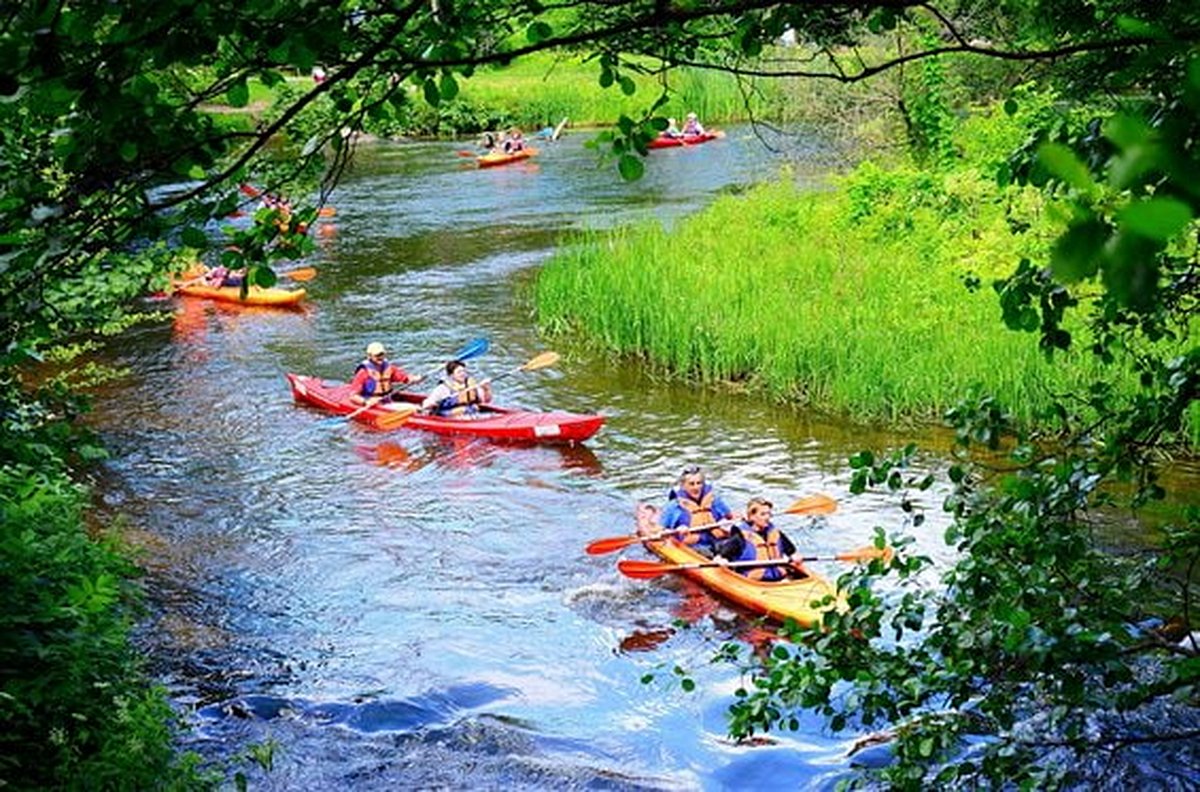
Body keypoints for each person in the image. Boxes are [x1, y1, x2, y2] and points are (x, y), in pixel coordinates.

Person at [714, 497, 808, 582]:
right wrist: (722, 561)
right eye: (763, 514)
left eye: (769, 514)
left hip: (780, 579)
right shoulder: (741, 536)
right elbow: (720, 557)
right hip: (754, 582)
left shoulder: (775, 533)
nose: (767, 517)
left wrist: (795, 557)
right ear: (752, 517)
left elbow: (792, 553)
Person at [657, 464, 738, 556]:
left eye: (699, 483)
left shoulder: (715, 500)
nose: (696, 487)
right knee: (706, 554)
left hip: (717, 540)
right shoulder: (674, 506)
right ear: (683, 486)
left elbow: (730, 516)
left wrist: (735, 519)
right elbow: (661, 531)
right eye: (691, 484)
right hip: (694, 545)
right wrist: (677, 530)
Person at [350, 342, 420, 406]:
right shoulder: (363, 372)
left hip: (387, 399)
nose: (380, 357)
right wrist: (365, 402)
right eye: (377, 355)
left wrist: (413, 379)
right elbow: (353, 396)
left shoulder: (390, 368)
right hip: (372, 401)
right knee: (414, 408)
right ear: (369, 356)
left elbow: (404, 378)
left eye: (382, 354)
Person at [420, 359, 492, 417]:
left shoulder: (471, 385)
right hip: (449, 417)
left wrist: (486, 389)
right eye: (459, 372)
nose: (463, 374)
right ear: (451, 375)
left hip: (470, 413)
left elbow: (486, 401)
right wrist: (430, 404)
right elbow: (427, 403)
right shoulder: (443, 388)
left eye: (464, 371)